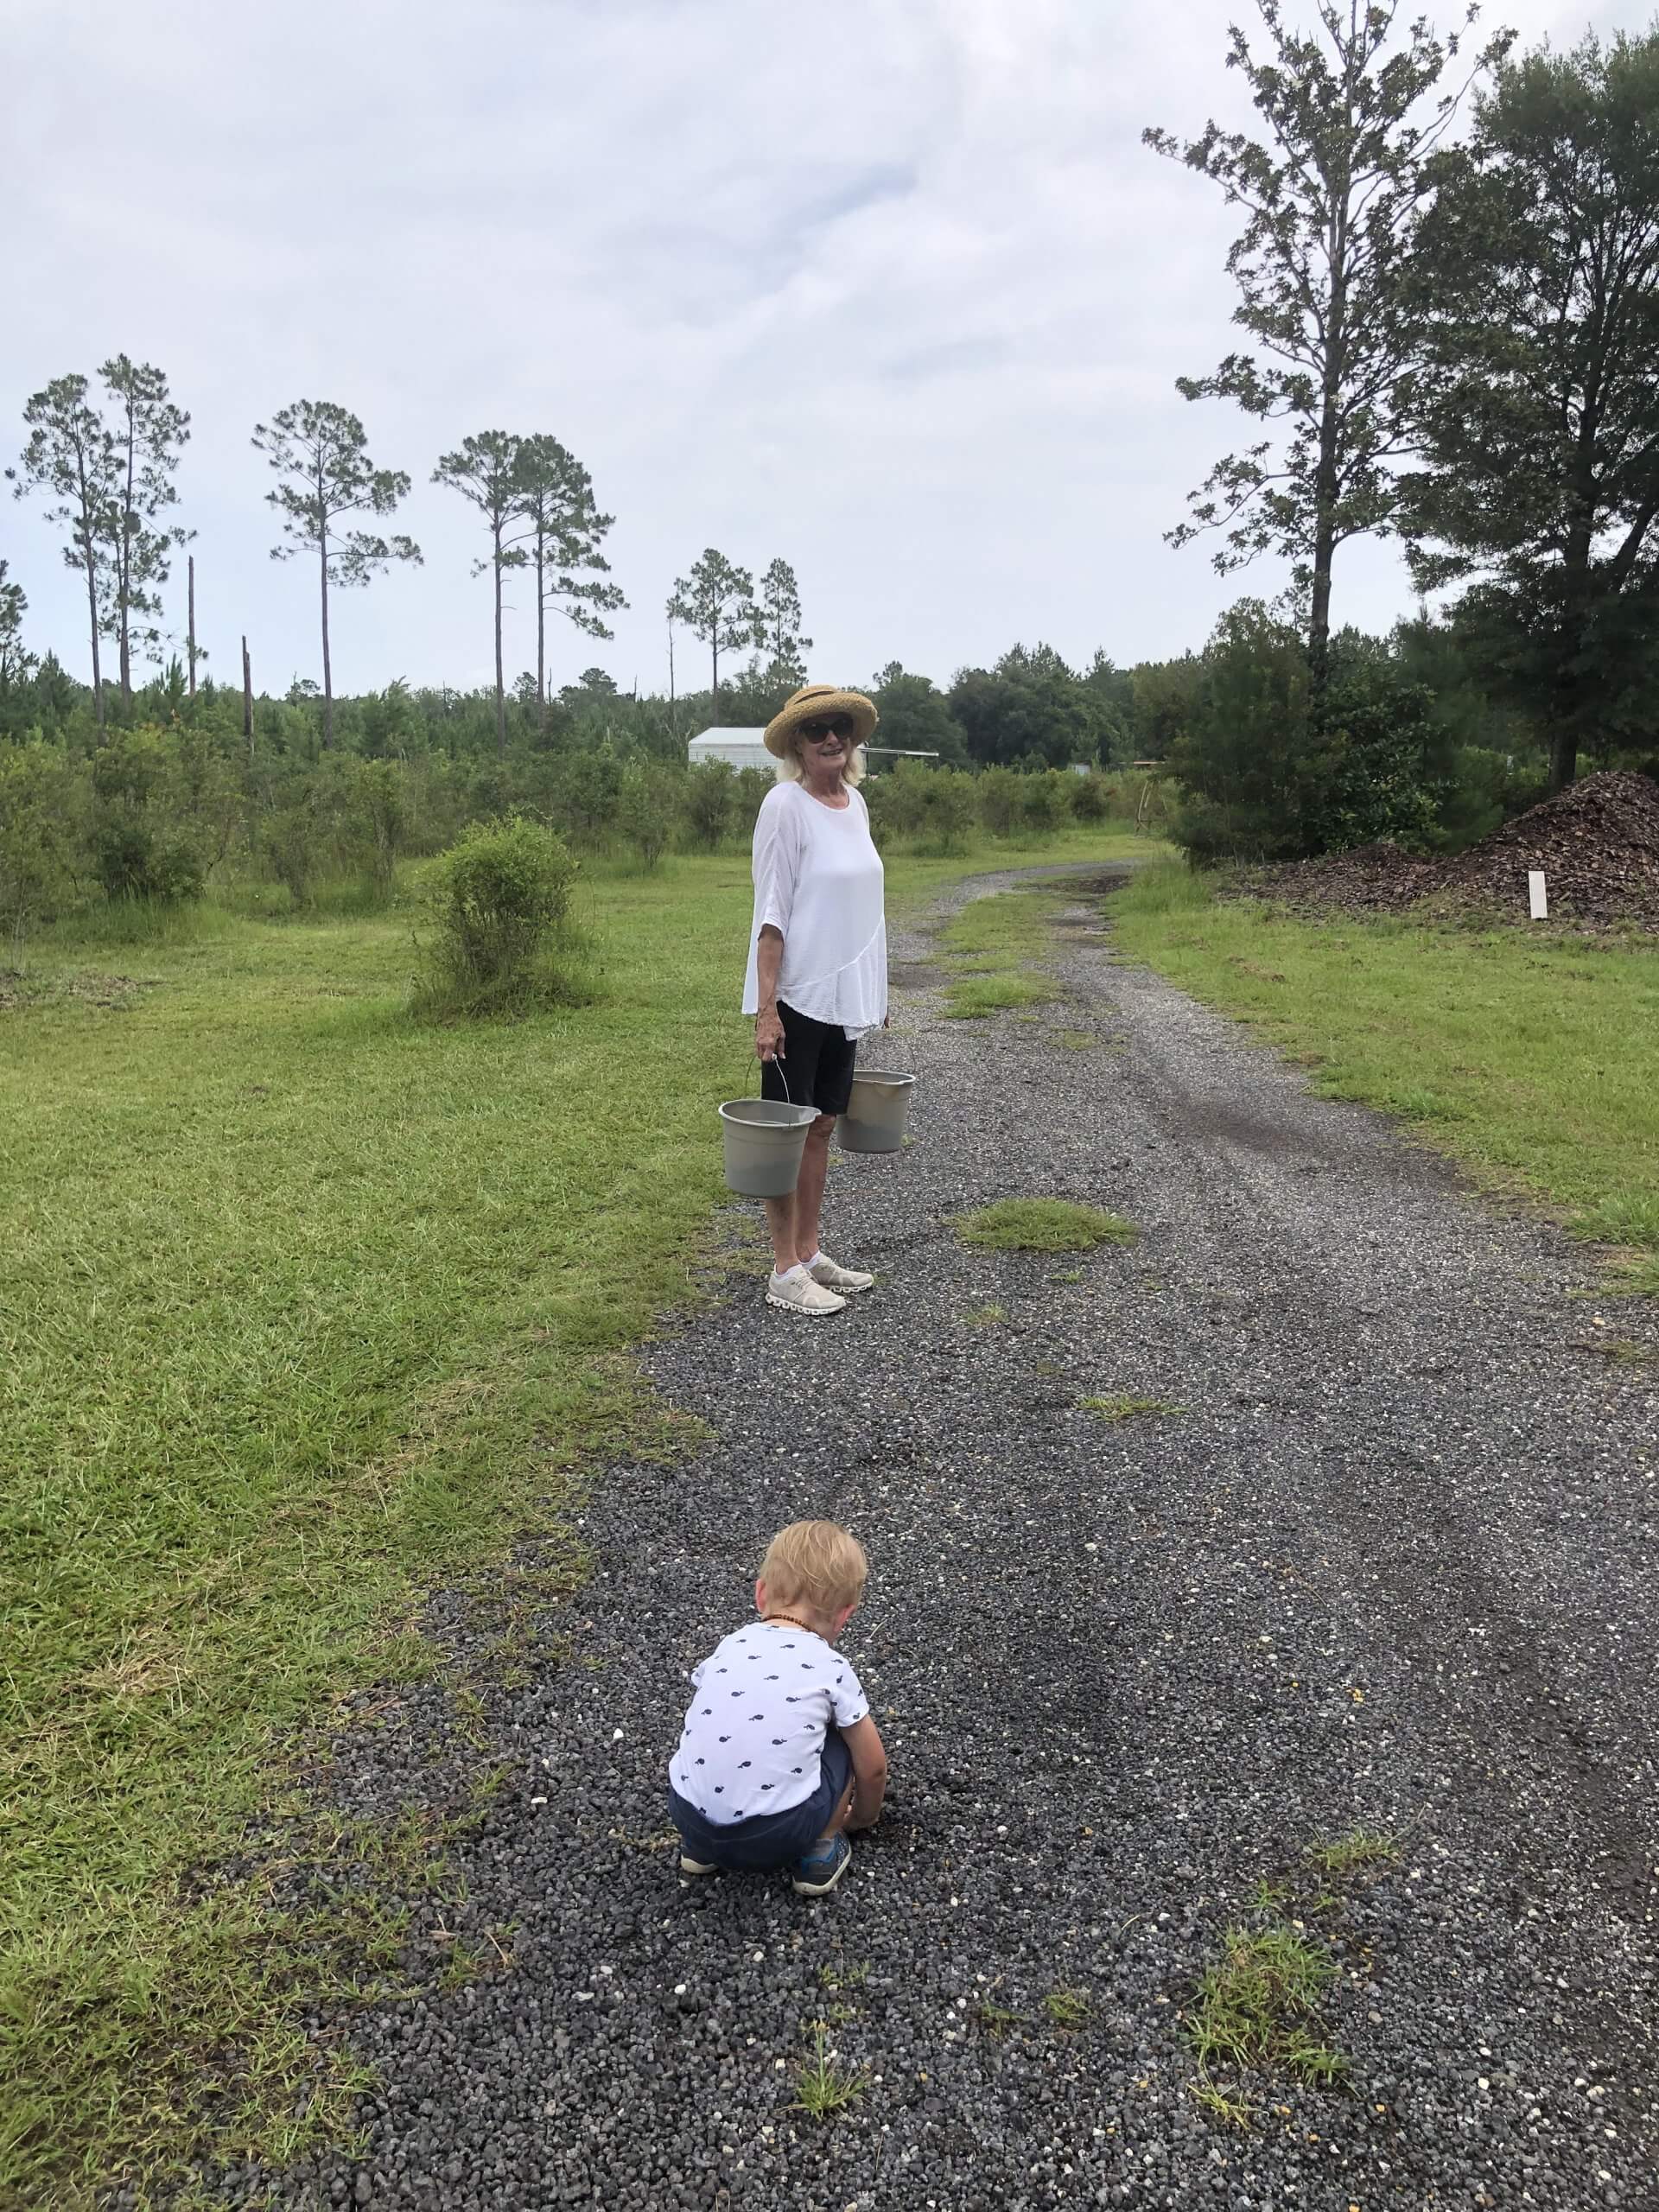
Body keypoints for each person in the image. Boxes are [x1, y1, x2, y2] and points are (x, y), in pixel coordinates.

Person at [742, 683, 888, 1318]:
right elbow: (772, 913)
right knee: (788, 1133)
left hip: (841, 997)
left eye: (841, 727)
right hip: (798, 996)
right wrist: (766, 1008)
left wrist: (874, 988)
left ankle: (809, 1251)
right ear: (798, 745)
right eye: (817, 729)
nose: (832, 737)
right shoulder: (785, 805)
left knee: (823, 1125)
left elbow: (864, 908)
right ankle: (783, 1270)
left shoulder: (853, 803)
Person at [668, 1520, 888, 1897]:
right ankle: (819, 1853)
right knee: (842, 1734)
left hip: (686, 1815)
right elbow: (873, 1766)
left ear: (760, 1593)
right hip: (778, 1835)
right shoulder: (830, 1667)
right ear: (844, 1615)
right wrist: (863, 1818)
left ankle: (701, 1850)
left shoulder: (730, 1645)